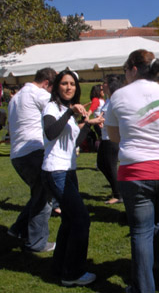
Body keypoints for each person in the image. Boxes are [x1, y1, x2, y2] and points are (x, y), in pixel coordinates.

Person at [105, 50, 159, 293]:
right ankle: (158, 275)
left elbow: (114, 136)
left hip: (136, 170)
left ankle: (144, 288)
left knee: (141, 231)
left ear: (132, 69)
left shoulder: (118, 96)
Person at [41, 69, 104, 287]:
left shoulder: (66, 109)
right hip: (55, 170)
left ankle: (60, 267)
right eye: (65, 84)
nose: (69, 88)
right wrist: (69, 114)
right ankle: (72, 273)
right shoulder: (52, 108)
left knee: (69, 219)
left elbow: (74, 142)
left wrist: (89, 123)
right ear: (57, 86)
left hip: (68, 170)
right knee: (81, 219)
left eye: (73, 84)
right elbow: (50, 132)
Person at [7, 67, 57, 253]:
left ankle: (18, 229)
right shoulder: (38, 94)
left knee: (38, 193)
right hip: (33, 152)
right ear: (46, 84)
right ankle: (37, 242)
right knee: (44, 198)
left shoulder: (16, 97)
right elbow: (56, 112)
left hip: (17, 155)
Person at [97, 74, 122, 204]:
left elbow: (118, 118)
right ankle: (117, 190)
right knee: (101, 164)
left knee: (110, 165)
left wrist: (103, 121)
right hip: (105, 136)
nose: (102, 86)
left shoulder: (116, 100)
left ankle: (118, 194)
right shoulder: (108, 100)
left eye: (105, 83)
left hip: (111, 138)